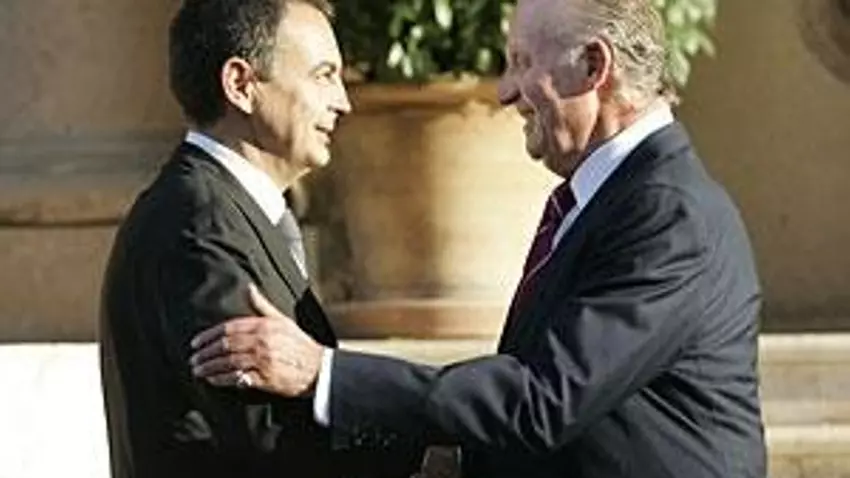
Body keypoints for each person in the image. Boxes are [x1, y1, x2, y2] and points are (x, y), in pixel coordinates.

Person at [188, 0, 768, 477]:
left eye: (521, 62)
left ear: (594, 66)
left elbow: (543, 398)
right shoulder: (614, 198)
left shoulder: (668, 213)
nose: (505, 92)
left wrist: (324, 374)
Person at [98, 1, 423, 477]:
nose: (343, 102)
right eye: (323, 76)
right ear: (241, 85)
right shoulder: (199, 227)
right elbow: (275, 438)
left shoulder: (223, 211)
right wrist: (431, 449)